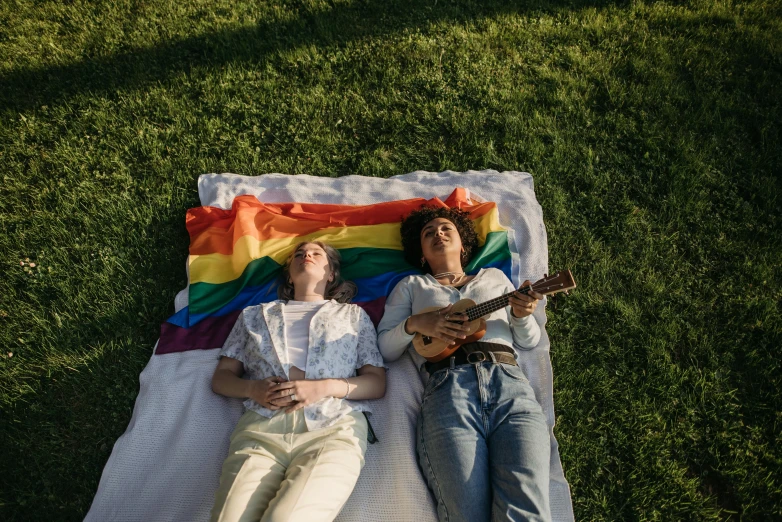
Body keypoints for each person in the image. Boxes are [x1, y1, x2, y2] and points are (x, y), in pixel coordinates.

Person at [377, 206, 551, 522]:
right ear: (421, 252)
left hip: (510, 387)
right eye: (428, 233)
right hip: (448, 392)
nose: (438, 234)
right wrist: (416, 323)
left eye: (446, 229)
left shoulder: (494, 278)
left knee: (526, 511)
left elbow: (528, 341)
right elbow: (385, 348)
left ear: (463, 243)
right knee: (466, 514)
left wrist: (521, 315)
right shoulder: (413, 287)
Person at [210, 241, 386, 522]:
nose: (307, 255)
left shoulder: (353, 316)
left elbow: (376, 383)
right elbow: (221, 378)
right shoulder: (254, 316)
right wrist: (251, 388)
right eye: (299, 254)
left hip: (333, 428)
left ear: (331, 274)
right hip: (261, 430)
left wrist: (325, 387)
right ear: (289, 275)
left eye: (317, 253)